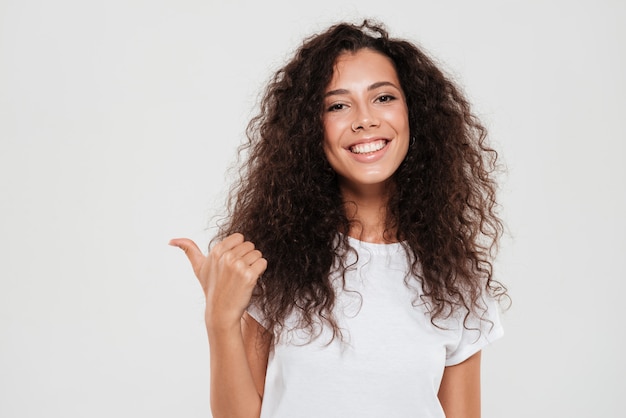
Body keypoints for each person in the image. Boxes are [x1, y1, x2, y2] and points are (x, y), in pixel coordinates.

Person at [170, 19, 507, 418]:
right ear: (312, 130)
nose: (365, 119)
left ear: (414, 114)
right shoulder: (276, 259)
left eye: (383, 98)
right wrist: (220, 318)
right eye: (338, 105)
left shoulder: (454, 278)